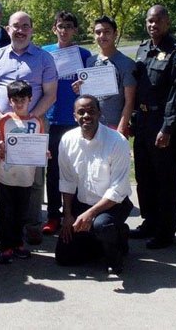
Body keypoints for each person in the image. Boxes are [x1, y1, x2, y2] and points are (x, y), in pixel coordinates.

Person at [0, 11, 58, 245]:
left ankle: (32, 225)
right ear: (8, 29)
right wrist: (1, 117)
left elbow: (50, 94)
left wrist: (30, 118)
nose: (21, 30)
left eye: (26, 25)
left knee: (33, 177)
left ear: (32, 30)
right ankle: (5, 226)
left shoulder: (44, 58)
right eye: (16, 26)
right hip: (4, 125)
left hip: (33, 125)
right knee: (5, 175)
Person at [130, 5, 176, 250]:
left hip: (161, 124)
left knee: (165, 179)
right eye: (149, 21)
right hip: (142, 122)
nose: (153, 25)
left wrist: (167, 128)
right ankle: (150, 221)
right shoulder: (144, 48)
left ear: (167, 22)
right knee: (144, 177)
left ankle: (165, 231)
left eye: (158, 21)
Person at [55, 95, 133, 274]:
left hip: (112, 205)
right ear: (74, 116)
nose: (86, 116)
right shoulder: (67, 140)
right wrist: (67, 215)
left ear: (100, 113)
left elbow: (117, 189)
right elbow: (67, 180)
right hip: (82, 203)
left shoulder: (117, 141)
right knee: (64, 257)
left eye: (91, 111)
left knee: (102, 226)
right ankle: (104, 239)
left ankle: (114, 254)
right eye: (81, 112)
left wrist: (90, 214)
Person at [41, 11, 91, 235]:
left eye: (68, 26)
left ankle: (77, 213)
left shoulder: (84, 54)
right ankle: (53, 214)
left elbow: (94, 87)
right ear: (54, 29)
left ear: (75, 30)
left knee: (77, 169)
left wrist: (84, 84)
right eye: (60, 26)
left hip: (76, 120)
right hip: (51, 119)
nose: (64, 30)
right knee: (53, 169)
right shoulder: (45, 53)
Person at [0, 80, 44, 264]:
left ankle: (18, 243)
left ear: (30, 99)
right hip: (6, 175)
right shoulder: (5, 120)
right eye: (15, 99)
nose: (19, 103)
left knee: (21, 212)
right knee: (5, 212)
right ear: (9, 101)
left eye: (23, 99)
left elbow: (40, 145)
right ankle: (5, 246)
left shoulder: (36, 121)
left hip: (26, 177)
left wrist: (44, 153)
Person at [74, 16, 136, 138]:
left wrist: (121, 128)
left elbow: (130, 101)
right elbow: (88, 97)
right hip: (91, 125)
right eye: (98, 32)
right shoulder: (89, 62)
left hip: (114, 126)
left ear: (115, 34)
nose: (102, 35)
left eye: (107, 32)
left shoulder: (127, 63)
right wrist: (79, 89)